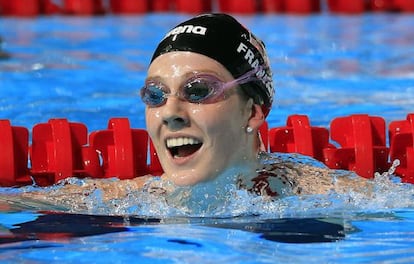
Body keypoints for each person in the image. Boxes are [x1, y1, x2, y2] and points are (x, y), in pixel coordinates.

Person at [20, 13, 370, 214]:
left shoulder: (321, 196)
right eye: (155, 94)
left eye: (198, 90)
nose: (170, 112)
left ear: (253, 111)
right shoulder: (130, 199)